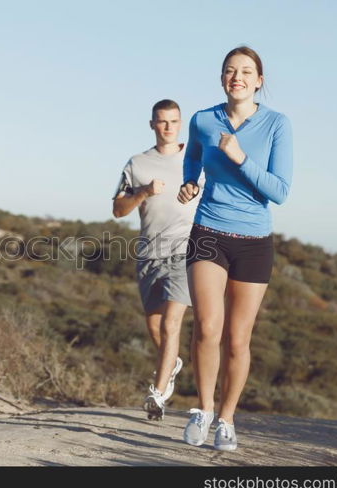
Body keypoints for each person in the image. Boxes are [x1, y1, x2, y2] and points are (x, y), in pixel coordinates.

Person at [177, 46, 293, 450]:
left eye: (246, 71)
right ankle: (203, 409)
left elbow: (279, 191)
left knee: (239, 339)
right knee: (208, 327)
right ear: (222, 78)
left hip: (254, 242)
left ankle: (226, 419)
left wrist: (240, 157)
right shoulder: (203, 119)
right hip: (209, 231)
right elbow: (192, 157)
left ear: (259, 80)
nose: (237, 77)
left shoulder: (277, 124)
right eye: (230, 71)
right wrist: (190, 182)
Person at [112, 99, 203, 420]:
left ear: (181, 123)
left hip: (186, 251)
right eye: (162, 122)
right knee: (155, 327)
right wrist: (144, 193)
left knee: (171, 323)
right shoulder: (137, 163)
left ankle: (158, 392)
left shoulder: (196, 159)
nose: (168, 127)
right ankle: (173, 363)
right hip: (149, 255)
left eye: (174, 122)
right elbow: (118, 210)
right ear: (152, 124)